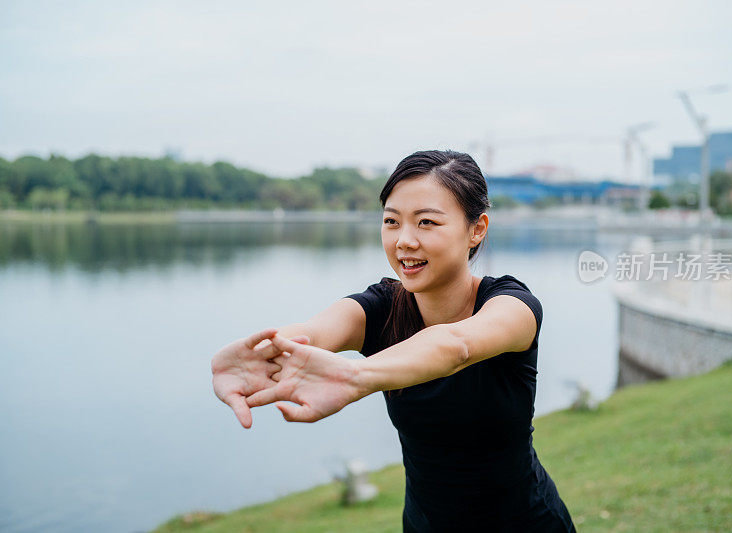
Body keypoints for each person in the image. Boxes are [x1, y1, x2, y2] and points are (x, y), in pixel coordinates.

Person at [211, 150, 576, 532]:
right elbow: (314, 333)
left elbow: (456, 346)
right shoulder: (381, 307)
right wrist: (255, 355)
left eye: (427, 223)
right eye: (391, 221)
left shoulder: (511, 305)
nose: (404, 241)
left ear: (477, 229)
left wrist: (356, 377)